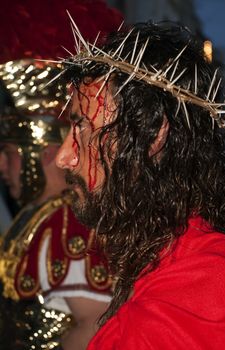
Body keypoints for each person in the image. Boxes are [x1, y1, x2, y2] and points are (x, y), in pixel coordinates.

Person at [55, 22, 225, 349]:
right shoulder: (205, 263)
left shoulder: (167, 320)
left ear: (152, 133)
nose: (64, 157)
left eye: (81, 128)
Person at [0, 2, 123, 349]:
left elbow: (94, 327)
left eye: (9, 154)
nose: (2, 167)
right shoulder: (40, 216)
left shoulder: (70, 221)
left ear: (48, 153)